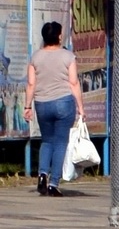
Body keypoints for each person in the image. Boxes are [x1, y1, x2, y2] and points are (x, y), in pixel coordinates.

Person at [22, 21, 84, 196]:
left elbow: (31, 84)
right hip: (63, 102)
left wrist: (28, 106)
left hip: (42, 104)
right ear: (58, 36)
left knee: (47, 141)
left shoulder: (35, 57)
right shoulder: (68, 57)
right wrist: (80, 108)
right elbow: (73, 83)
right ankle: (53, 183)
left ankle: (42, 174)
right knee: (60, 143)